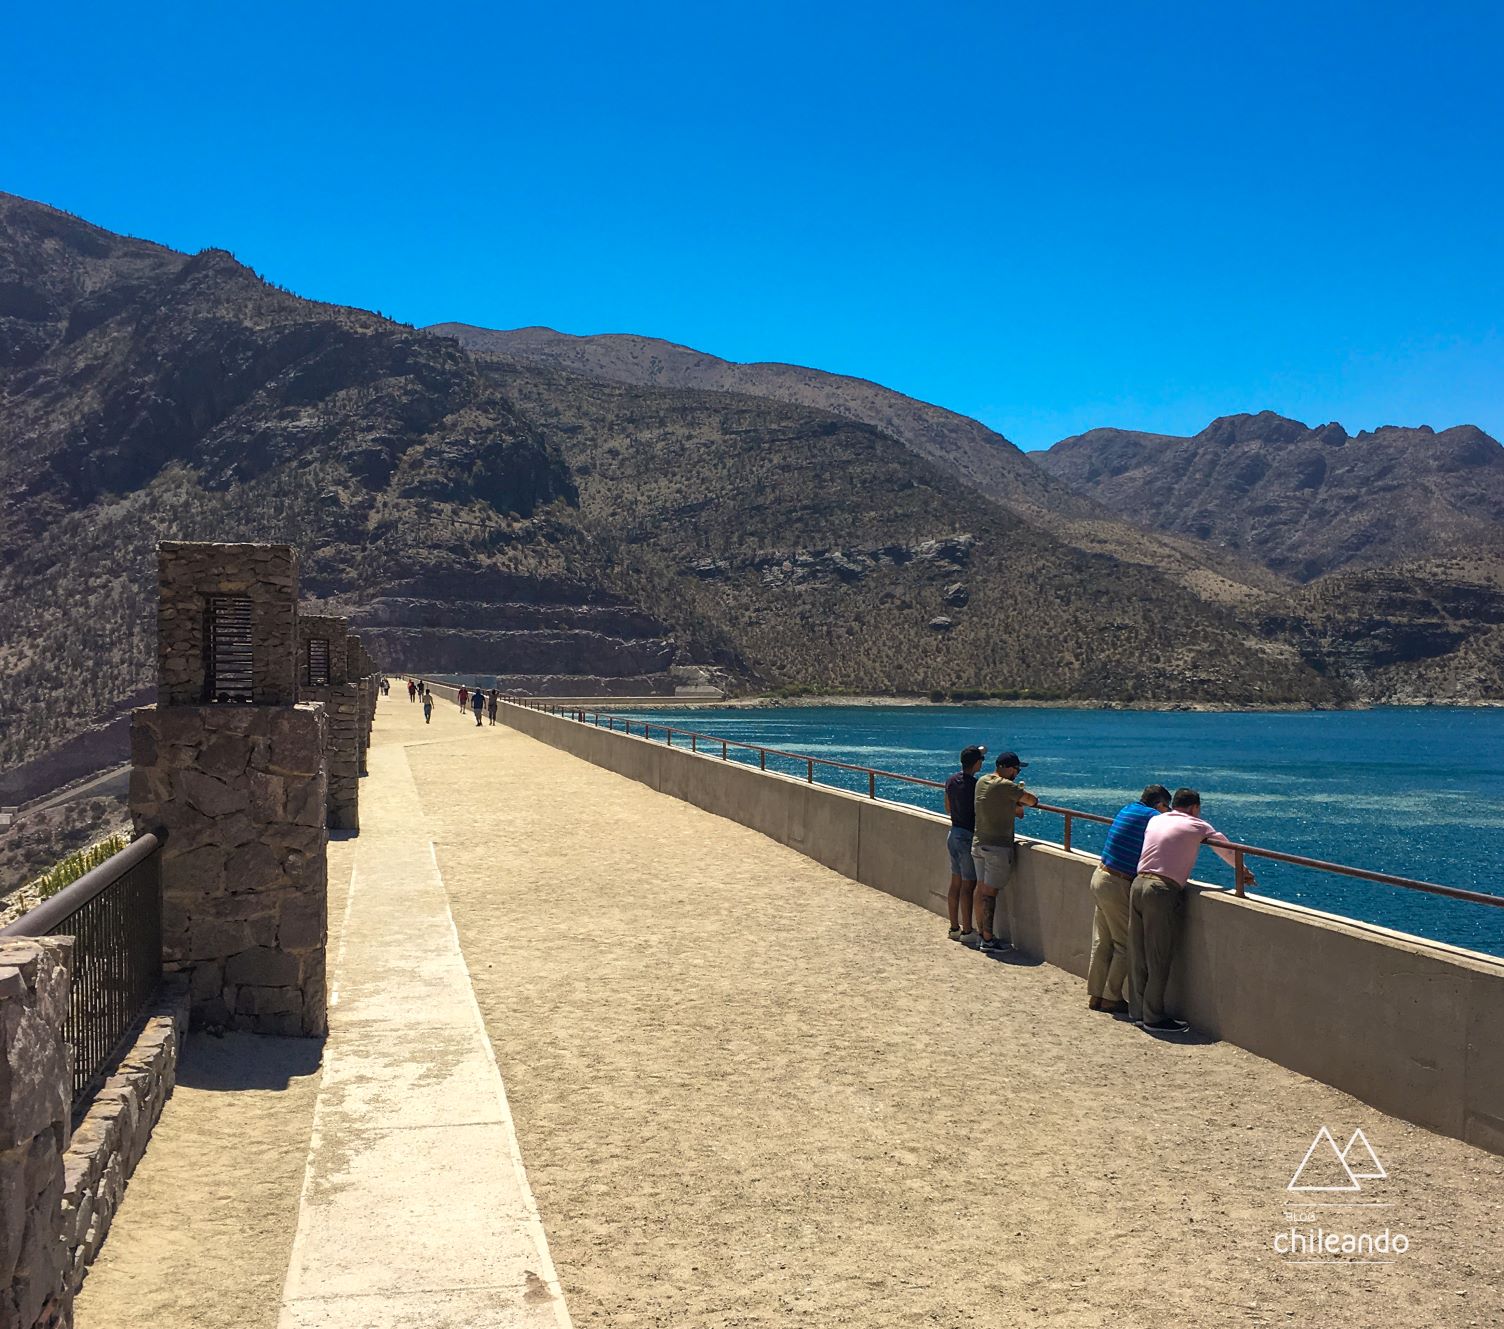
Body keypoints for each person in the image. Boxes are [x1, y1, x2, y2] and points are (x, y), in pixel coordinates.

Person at [1128, 787, 1256, 1034]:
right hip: (1161, 890)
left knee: (1138, 950)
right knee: (1158, 954)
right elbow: (1226, 849)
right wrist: (1244, 871)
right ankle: (1153, 1018)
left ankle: (1138, 1012)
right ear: (1195, 808)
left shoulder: (1156, 819)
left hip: (1138, 882)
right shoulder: (1198, 826)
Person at [1086, 784, 1170, 1013]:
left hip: (1101, 875)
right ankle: (1111, 997)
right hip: (1117, 883)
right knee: (1124, 944)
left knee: (1102, 941)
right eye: (1167, 807)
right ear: (1160, 804)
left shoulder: (1127, 809)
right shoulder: (1154, 817)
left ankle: (1096, 995)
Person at [971, 751, 1039, 953]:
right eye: (1017, 769)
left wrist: (1014, 802)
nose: (1017, 773)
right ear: (1008, 768)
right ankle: (988, 939)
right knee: (990, 893)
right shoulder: (1006, 786)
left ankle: (980, 933)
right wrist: (1018, 794)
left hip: (978, 842)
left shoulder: (982, 781)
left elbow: (1015, 811)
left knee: (981, 888)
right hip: (997, 847)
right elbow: (1032, 801)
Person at [944, 745, 986, 942]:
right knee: (968, 886)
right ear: (977, 764)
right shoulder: (975, 786)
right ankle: (968, 931)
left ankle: (954, 927)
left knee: (956, 882)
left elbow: (948, 808)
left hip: (953, 833)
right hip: (967, 836)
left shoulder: (951, 781)